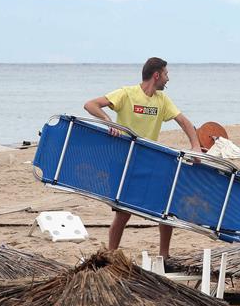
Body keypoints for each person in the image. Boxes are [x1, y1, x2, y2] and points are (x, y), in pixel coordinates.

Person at [84, 57, 201, 257]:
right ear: (156, 75)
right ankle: (111, 254)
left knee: (165, 208)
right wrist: (108, 121)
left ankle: (164, 255)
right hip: (124, 161)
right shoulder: (127, 94)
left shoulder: (161, 100)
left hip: (150, 161)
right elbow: (90, 104)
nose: (168, 79)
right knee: (123, 214)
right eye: (166, 74)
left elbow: (184, 122)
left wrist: (196, 146)